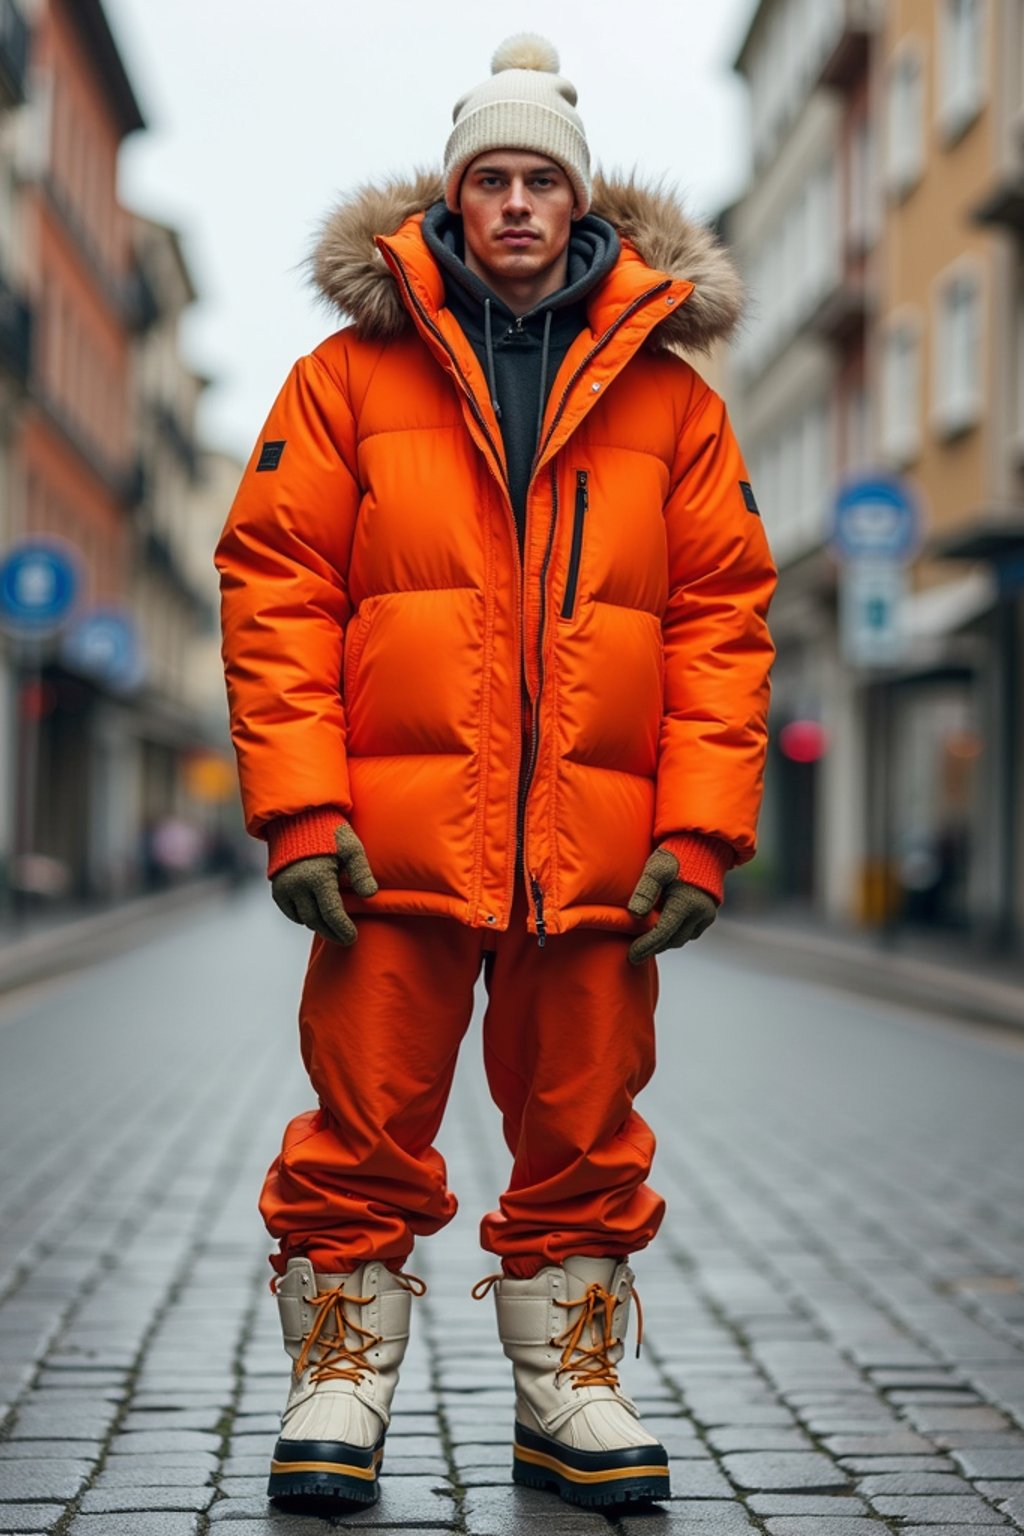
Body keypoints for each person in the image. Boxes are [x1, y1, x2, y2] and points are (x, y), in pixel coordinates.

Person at [216, 34, 776, 1514]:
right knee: (362, 1119)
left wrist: (704, 829)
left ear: (582, 203)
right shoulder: (344, 381)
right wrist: (301, 810)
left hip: (595, 848)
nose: (516, 203)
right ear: (451, 200)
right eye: (490, 178)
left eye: (541, 179)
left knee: (586, 1126)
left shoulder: (676, 404)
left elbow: (723, 617)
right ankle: (338, 1379)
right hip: (390, 841)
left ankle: (569, 1387)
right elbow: (276, 589)